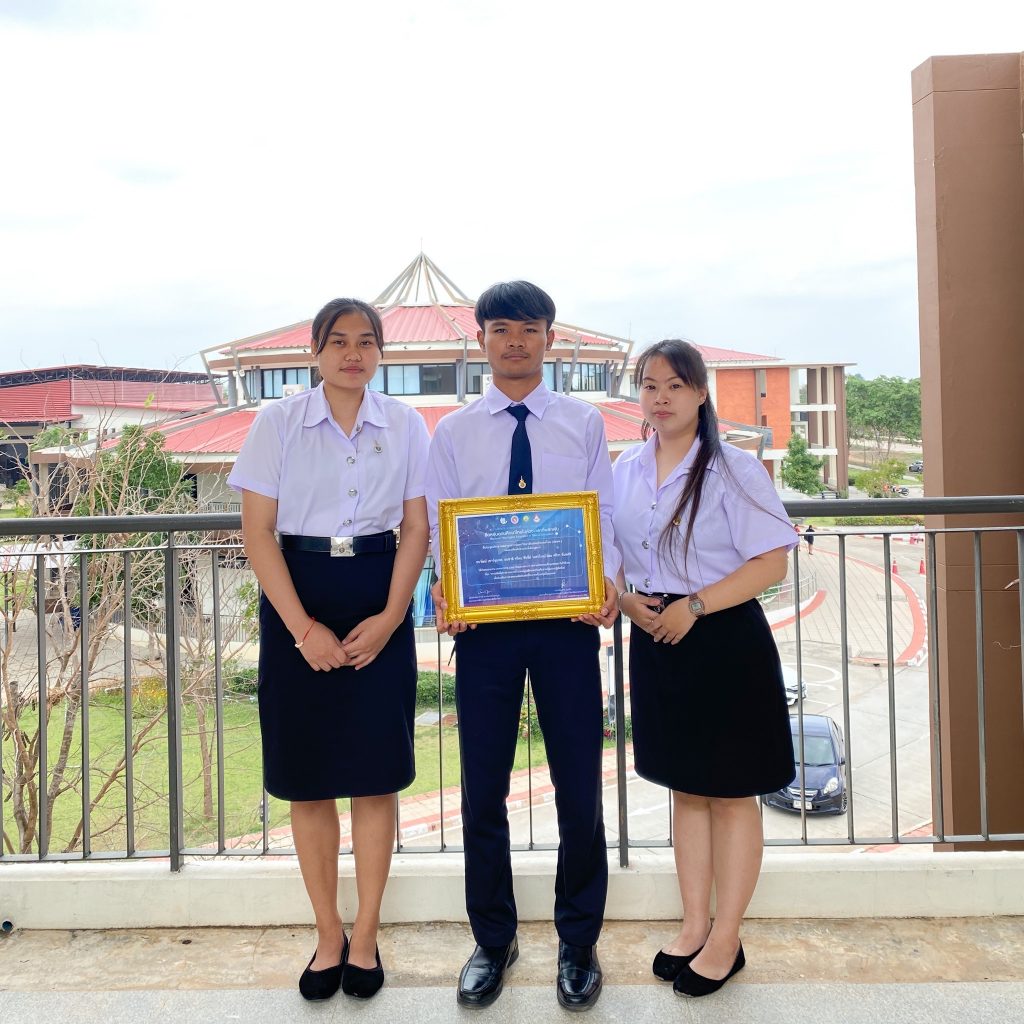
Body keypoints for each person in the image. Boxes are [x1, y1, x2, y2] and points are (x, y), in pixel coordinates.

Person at [425, 280, 621, 1012]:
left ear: (549, 338)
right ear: (481, 339)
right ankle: (493, 938)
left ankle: (579, 941)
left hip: (568, 626)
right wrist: (446, 589)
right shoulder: (453, 433)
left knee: (579, 787)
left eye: (529, 329)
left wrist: (607, 580)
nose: (515, 341)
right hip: (484, 632)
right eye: (501, 329)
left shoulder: (583, 423)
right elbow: (441, 522)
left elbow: (603, 514)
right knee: (484, 789)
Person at [229, 298, 429, 1002]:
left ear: (380, 353)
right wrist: (301, 629)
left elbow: (416, 529)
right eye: (338, 341)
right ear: (315, 351)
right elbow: (258, 532)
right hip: (299, 591)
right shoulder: (277, 422)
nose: (352, 353)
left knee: (376, 776)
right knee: (308, 779)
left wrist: (393, 615)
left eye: (366, 342)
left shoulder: (406, 424)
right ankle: (327, 934)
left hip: (378, 589)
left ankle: (366, 935)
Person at [612, 339, 797, 998]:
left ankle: (727, 938)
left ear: (699, 393)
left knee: (731, 792)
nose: (660, 398)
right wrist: (627, 602)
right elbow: (611, 555)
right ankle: (694, 925)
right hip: (655, 636)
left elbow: (772, 562)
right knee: (686, 788)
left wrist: (694, 606)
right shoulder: (625, 468)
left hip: (721, 638)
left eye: (675, 385)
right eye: (649, 385)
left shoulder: (733, 468)